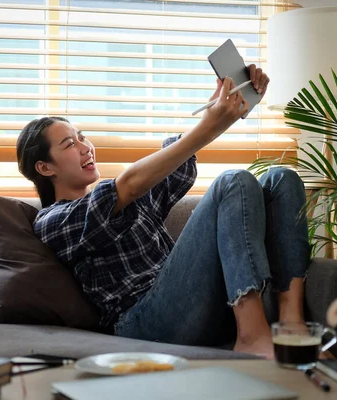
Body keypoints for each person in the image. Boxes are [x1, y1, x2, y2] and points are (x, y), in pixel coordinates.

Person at [16, 65, 310, 358]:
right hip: (142, 323)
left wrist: (219, 104)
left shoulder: (130, 201)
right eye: (70, 144)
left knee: (282, 179)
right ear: (45, 167)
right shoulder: (53, 221)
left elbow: (174, 171)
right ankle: (252, 336)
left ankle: (292, 325)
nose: (85, 148)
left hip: (196, 306)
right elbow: (126, 187)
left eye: (82, 137)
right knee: (233, 182)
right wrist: (212, 125)